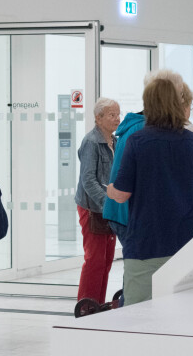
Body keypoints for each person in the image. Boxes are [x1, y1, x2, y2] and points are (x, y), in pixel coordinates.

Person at [107, 79, 193, 305]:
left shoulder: (138, 141)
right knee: (184, 307)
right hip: (188, 239)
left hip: (148, 240)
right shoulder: (192, 140)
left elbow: (123, 193)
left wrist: (110, 190)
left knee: (139, 309)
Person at [103, 69, 184, 241]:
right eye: (180, 95)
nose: (182, 101)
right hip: (132, 218)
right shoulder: (144, 133)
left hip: (134, 216)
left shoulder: (150, 129)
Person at [74, 97, 120, 305]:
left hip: (109, 208)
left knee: (107, 259)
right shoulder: (91, 142)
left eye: (118, 114)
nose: (117, 119)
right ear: (98, 118)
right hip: (93, 208)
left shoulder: (115, 141)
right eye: (112, 115)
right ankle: (86, 305)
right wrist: (106, 203)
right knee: (95, 260)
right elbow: (88, 180)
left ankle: (99, 304)